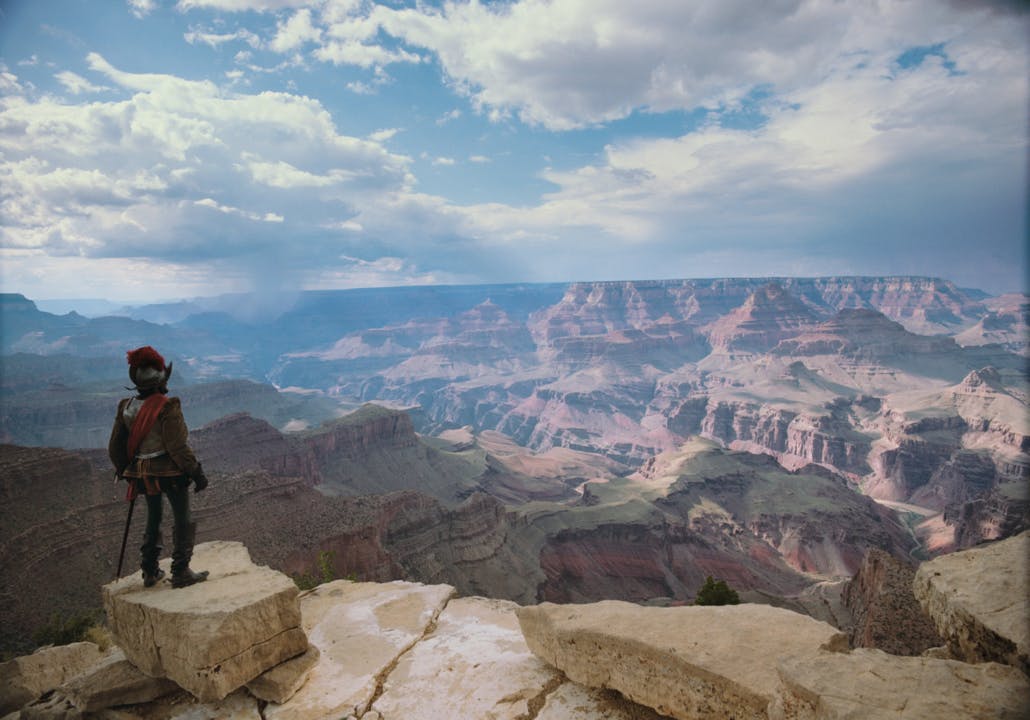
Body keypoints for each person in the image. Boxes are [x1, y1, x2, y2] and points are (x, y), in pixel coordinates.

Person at [108, 346, 210, 588]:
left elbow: (115, 446)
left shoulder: (126, 406)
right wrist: (196, 471)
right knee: (182, 517)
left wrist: (124, 470)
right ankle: (181, 571)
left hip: (141, 474)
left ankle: (150, 571)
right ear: (161, 380)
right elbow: (176, 446)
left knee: (154, 517)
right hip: (169, 473)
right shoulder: (167, 406)